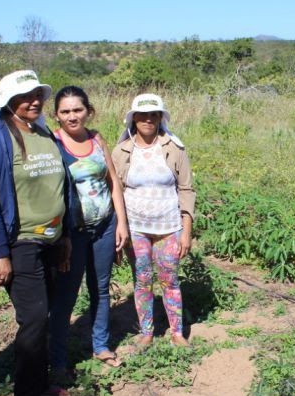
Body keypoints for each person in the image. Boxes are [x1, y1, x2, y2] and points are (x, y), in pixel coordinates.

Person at [0, 70, 71, 396]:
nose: (34, 101)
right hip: (22, 243)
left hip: (51, 240)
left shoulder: (44, 131)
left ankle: (40, 385)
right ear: (8, 101)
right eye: (25, 96)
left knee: (41, 317)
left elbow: (61, 187)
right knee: (32, 319)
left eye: (37, 95)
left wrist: (64, 236)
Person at [49, 86, 129, 375]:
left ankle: (101, 345)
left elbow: (113, 181)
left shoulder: (96, 139)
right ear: (56, 115)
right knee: (66, 296)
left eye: (77, 110)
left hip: (105, 226)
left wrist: (121, 222)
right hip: (72, 234)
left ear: (88, 111)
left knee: (101, 289)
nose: (72, 116)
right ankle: (57, 359)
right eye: (65, 111)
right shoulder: (52, 143)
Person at [112, 94, 195, 347]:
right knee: (142, 280)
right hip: (136, 227)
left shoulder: (174, 148)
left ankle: (177, 332)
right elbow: (115, 190)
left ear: (161, 118)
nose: (148, 120)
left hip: (168, 227)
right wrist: (119, 227)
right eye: (142, 115)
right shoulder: (121, 151)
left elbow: (187, 189)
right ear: (133, 118)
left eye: (154, 115)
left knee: (170, 280)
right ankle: (146, 332)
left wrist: (186, 230)